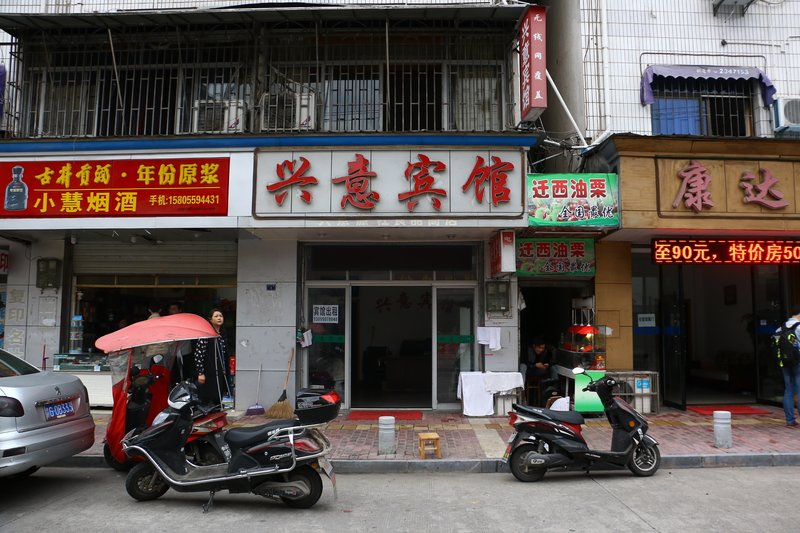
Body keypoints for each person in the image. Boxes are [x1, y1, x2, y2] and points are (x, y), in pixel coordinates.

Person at [193, 308, 231, 406]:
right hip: (209, 371)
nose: (219, 318)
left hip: (221, 371)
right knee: (208, 397)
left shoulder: (222, 335)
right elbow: (199, 354)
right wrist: (200, 372)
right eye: (216, 316)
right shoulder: (205, 335)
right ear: (210, 319)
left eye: (221, 316)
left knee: (220, 396)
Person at [778, 308, 800, 427]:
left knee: (788, 390)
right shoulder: (799, 327)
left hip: (785, 362)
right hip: (798, 362)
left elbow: (775, 343)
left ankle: (790, 420)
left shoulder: (781, 327)